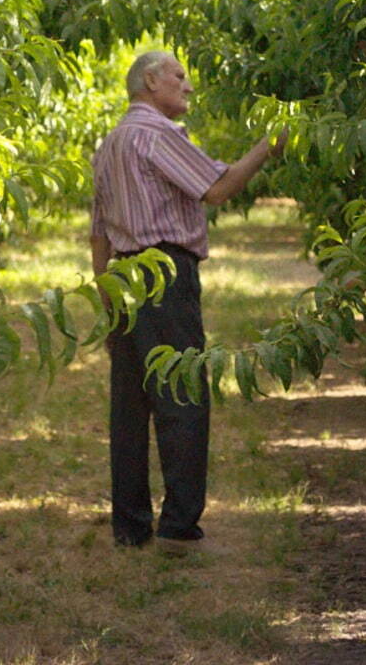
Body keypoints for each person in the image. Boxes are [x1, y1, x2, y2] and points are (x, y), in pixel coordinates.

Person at [89, 50, 285, 552]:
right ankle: (179, 526)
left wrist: (105, 291)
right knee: (181, 395)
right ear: (150, 81)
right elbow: (217, 188)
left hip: (123, 277)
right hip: (163, 273)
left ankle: (130, 528)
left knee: (130, 407)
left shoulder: (111, 142)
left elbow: (98, 232)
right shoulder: (157, 135)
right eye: (179, 76)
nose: (188, 87)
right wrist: (269, 146)